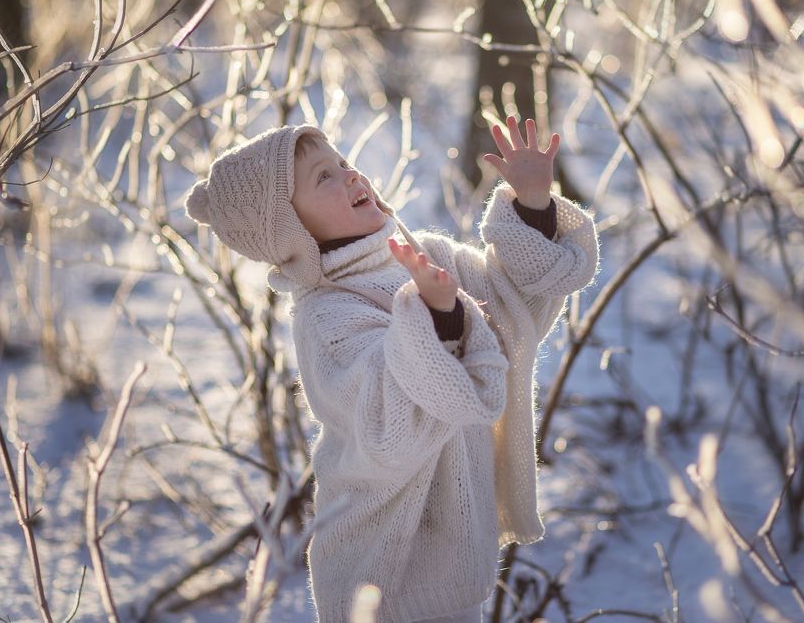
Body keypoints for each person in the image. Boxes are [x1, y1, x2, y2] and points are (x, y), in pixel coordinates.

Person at [184, 115, 600, 622]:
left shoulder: (427, 256)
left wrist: (534, 206)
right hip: (382, 577)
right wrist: (439, 316)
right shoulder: (328, 316)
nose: (350, 176)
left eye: (342, 162)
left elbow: (517, 309)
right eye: (324, 179)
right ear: (292, 229)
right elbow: (388, 426)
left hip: (459, 563)